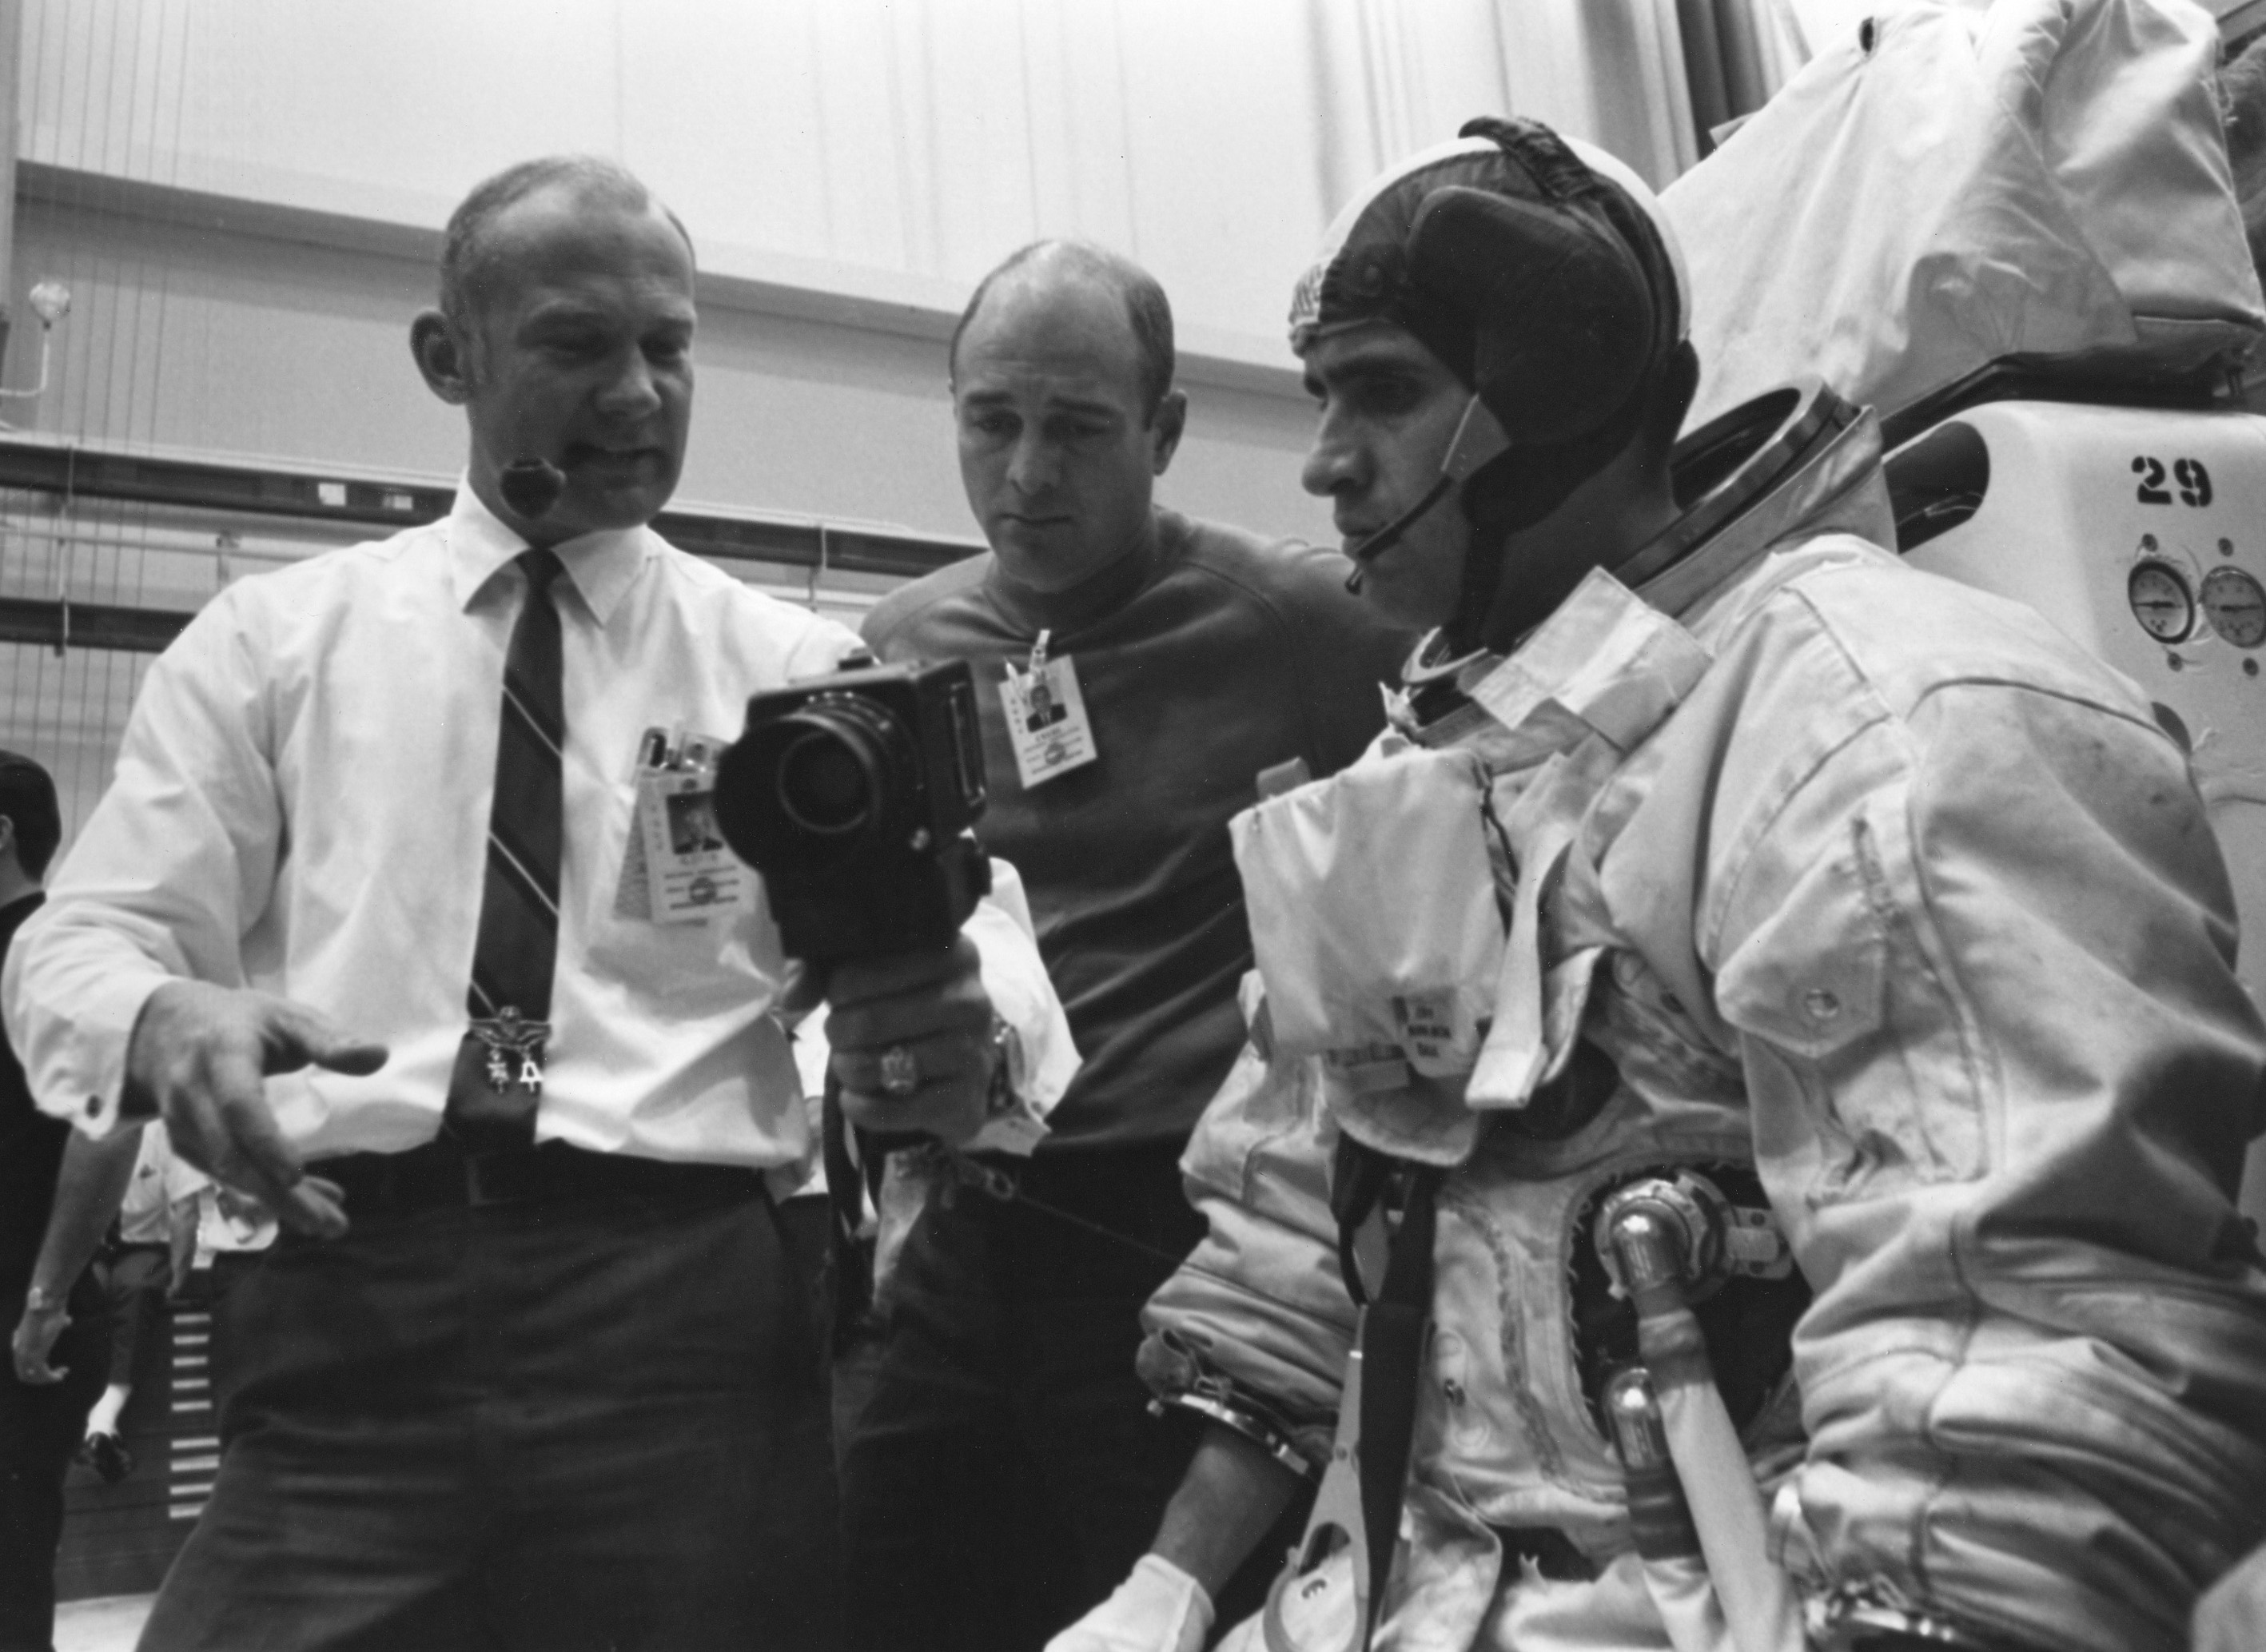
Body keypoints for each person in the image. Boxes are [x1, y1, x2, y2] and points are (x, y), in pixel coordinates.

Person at [1057, 118, 2266, 1652]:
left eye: (1385, 392)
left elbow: (2016, 1395)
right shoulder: (1414, 788)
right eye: (1324, 396)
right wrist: (1163, 1586)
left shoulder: (1876, 722)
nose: (1323, 460)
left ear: (1562, 403)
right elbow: (1304, 1242)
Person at [1, 155, 1069, 1652]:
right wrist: (163, 1012)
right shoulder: (271, 648)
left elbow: (999, 941)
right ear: (451, 357)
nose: (639, 393)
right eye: (579, 345)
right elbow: (77, 937)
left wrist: (974, 1015)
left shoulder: (797, 672)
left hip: (690, 1328)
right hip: (343, 1323)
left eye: (671, 346)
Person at [840, 240, 1409, 1651]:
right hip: (961, 1231)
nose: (1027, 472)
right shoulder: (902, 651)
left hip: (1187, 1237)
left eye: (1080, 429)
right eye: (993, 420)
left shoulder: (1310, 630)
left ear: (1163, 432)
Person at [0, 752, 107, 1652]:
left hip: (26, 1307)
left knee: (10, 1554)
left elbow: (107, 1127)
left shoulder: (51, 957)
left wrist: (45, 1300)